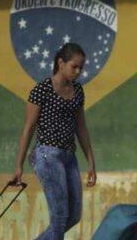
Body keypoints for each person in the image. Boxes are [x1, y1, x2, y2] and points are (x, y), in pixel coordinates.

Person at [12, 42, 96, 240]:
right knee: (59, 216)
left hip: (69, 156)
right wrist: (18, 165)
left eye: (81, 67)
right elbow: (28, 129)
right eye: (74, 66)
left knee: (73, 216)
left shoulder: (78, 91)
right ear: (61, 62)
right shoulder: (42, 89)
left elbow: (81, 128)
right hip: (47, 155)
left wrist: (91, 161)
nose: (78, 71)